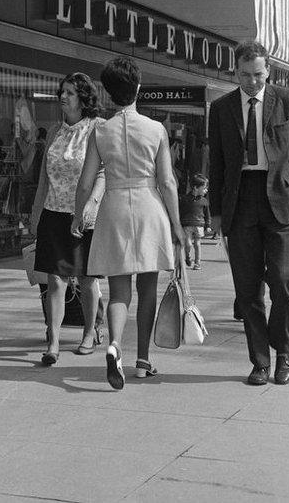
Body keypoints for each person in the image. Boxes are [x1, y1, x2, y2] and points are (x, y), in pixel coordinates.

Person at [208, 41, 289, 386]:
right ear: (235, 72)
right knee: (247, 290)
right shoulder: (222, 107)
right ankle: (260, 361)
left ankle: (284, 353)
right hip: (240, 201)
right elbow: (216, 165)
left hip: (282, 201)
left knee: (284, 281)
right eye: (245, 75)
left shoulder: (288, 100)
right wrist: (214, 213)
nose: (252, 81)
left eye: (258, 74)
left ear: (268, 70)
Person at [75, 57, 182, 390]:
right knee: (146, 287)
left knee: (119, 289)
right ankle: (143, 360)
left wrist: (79, 214)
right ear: (138, 88)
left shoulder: (100, 131)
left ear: (107, 93)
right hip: (149, 207)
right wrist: (177, 225)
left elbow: (85, 180)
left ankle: (115, 344)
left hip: (115, 208)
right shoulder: (155, 129)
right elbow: (167, 182)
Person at [29, 72, 105, 365]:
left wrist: (90, 206)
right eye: (63, 91)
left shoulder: (98, 128)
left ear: (84, 98)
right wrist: (36, 215)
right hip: (53, 212)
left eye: (70, 93)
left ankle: (89, 332)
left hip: (84, 214)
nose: (64, 97)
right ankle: (54, 341)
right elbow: (43, 178)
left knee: (86, 279)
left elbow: (104, 172)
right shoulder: (54, 131)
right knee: (55, 281)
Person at [179, 174, 211, 270]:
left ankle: (197, 263)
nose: (206, 190)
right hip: (187, 224)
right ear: (195, 188)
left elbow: (207, 213)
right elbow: (181, 211)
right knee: (188, 244)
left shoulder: (204, 201)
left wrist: (208, 225)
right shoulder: (184, 199)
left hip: (199, 224)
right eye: (204, 188)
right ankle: (188, 257)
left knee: (197, 244)